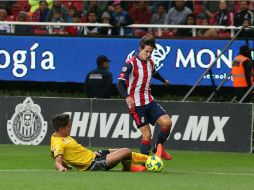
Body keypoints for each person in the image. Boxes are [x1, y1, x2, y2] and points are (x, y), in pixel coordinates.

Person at [117, 34, 172, 160]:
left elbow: (154, 73)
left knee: (167, 123)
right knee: (147, 135)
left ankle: (159, 147)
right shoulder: (130, 64)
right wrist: (126, 97)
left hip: (149, 101)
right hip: (136, 105)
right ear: (140, 49)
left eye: (151, 52)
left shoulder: (150, 62)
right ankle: (144, 163)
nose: (148, 54)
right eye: (146, 51)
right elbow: (120, 83)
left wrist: (163, 80)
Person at [50, 113, 150, 172]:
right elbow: (57, 161)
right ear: (61, 129)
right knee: (126, 151)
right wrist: (61, 168)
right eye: (69, 126)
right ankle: (130, 168)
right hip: (93, 164)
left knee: (121, 151)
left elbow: (52, 154)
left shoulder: (54, 136)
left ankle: (144, 161)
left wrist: (67, 166)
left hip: (93, 155)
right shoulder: (59, 143)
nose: (71, 127)